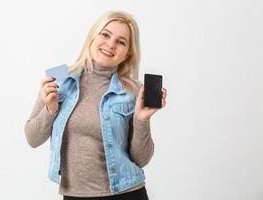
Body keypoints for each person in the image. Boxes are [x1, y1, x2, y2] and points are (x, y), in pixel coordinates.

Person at [24, 10, 167, 200]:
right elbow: (32, 139)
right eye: (105, 34)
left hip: (125, 193)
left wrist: (142, 119)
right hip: (73, 194)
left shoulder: (133, 91)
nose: (111, 44)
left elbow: (142, 159)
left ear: (127, 54)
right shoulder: (59, 78)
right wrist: (50, 110)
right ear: (92, 36)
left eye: (121, 42)